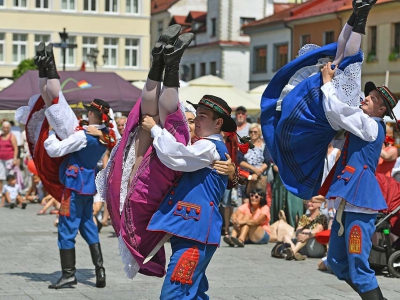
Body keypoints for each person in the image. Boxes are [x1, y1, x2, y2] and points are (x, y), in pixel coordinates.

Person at [15, 42, 116, 289]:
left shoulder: (84, 134)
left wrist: (48, 134)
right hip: (86, 188)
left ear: (95, 116)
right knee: (87, 226)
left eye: (90, 111)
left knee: (66, 228)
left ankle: (68, 274)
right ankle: (100, 271)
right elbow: (115, 139)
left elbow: (55, 149)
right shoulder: (106, 136)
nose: (87, 112)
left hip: (73, 184)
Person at [142, 93, 237, 299]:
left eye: (202, 116)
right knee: (193, 293)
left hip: (194, 232)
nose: (196, 120)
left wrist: (155, 130)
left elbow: (176, 156)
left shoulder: (209, 145)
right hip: (190, 230)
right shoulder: (205, 144)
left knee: (173, 294)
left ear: (218, 122)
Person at [282, 195, 328, 261]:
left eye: (312, 202)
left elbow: (318, 230)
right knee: (285, 237)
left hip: (316, 247)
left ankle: (293, 251)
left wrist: (307, 233)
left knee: (305, 234)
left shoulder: (322, 217)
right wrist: (300, 233)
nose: (309, 203)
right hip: (303, 246)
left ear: (319, 204)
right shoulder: (304, 217)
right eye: (308, 201)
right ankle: (295, 253)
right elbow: (298, 230)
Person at [238, 123, 269, 203]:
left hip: (259, 178)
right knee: (246, 202)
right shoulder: (244, 145)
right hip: (246, 177)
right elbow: (239, 160)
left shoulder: (264, 146)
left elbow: (267, 161)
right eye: (251, 132)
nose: (253, 134)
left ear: (259, 133)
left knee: (259, 202)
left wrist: (258, 172)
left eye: (255, 132)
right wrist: (254, 169)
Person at [0, 121, 19, 199]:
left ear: (9, 128)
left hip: (10, 159)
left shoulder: (12, 136)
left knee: (10, 176)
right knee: (0, 176)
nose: (5, 129)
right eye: (4, 127)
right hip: (1, 159)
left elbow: (16, 148)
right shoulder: (0, 136)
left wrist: (15, 158)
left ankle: (13, 192)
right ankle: (1, 192)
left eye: (7, 128)